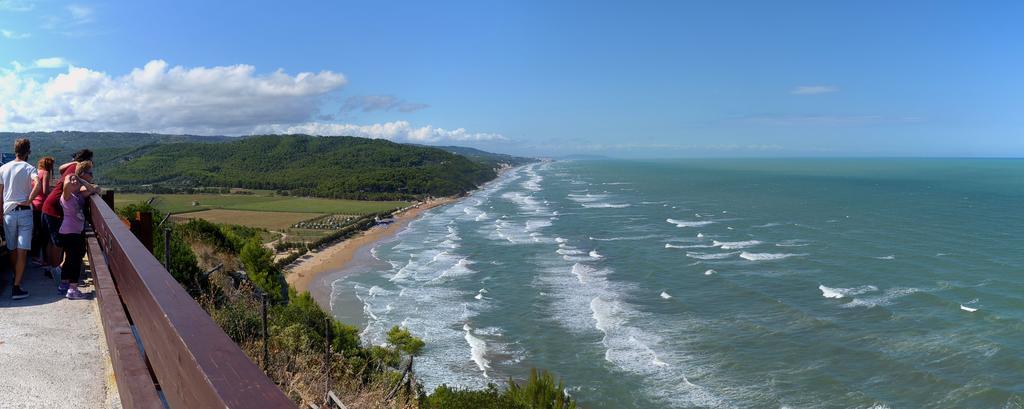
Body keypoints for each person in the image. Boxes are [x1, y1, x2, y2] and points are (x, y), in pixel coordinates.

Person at [40, 149, 93, 281]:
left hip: (49, 205)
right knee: (58, 243)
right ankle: (56, 271)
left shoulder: (72, 166)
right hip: (55, 208)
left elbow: (60, 168)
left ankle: (51, 268)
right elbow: (79, 189)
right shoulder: (77, 169)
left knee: (52, 242)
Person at [0, 139, 41, 300]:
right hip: (24, 212)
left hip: (8, 212)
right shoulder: (29, 168)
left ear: (15, 150)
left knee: (12, 249)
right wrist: (30, 200)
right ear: (28, 152)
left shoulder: (3, 168)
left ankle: (15, 276)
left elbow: (0, 195)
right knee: (22, 250)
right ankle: (17, 286)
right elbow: (37, 184)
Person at [57, 161, 99, 300]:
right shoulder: (66, 197)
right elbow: (67, 185)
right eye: (72, 182)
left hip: (71, 232)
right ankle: (73, 289)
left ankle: (63, 285)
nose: (74, 183)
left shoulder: (78, 196)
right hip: (71, 233)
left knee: (69, 259)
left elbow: (94, 189)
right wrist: (71, 177)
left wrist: (80, 180)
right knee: (75, 261)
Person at [31, 156, 54, 268]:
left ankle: (34, 255)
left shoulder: (35, 173)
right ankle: (44, 258)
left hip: (33, 204)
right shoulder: (45, 173)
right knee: (44, 233)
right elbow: (45, 191)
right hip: (42, 205)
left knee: (36, 231)